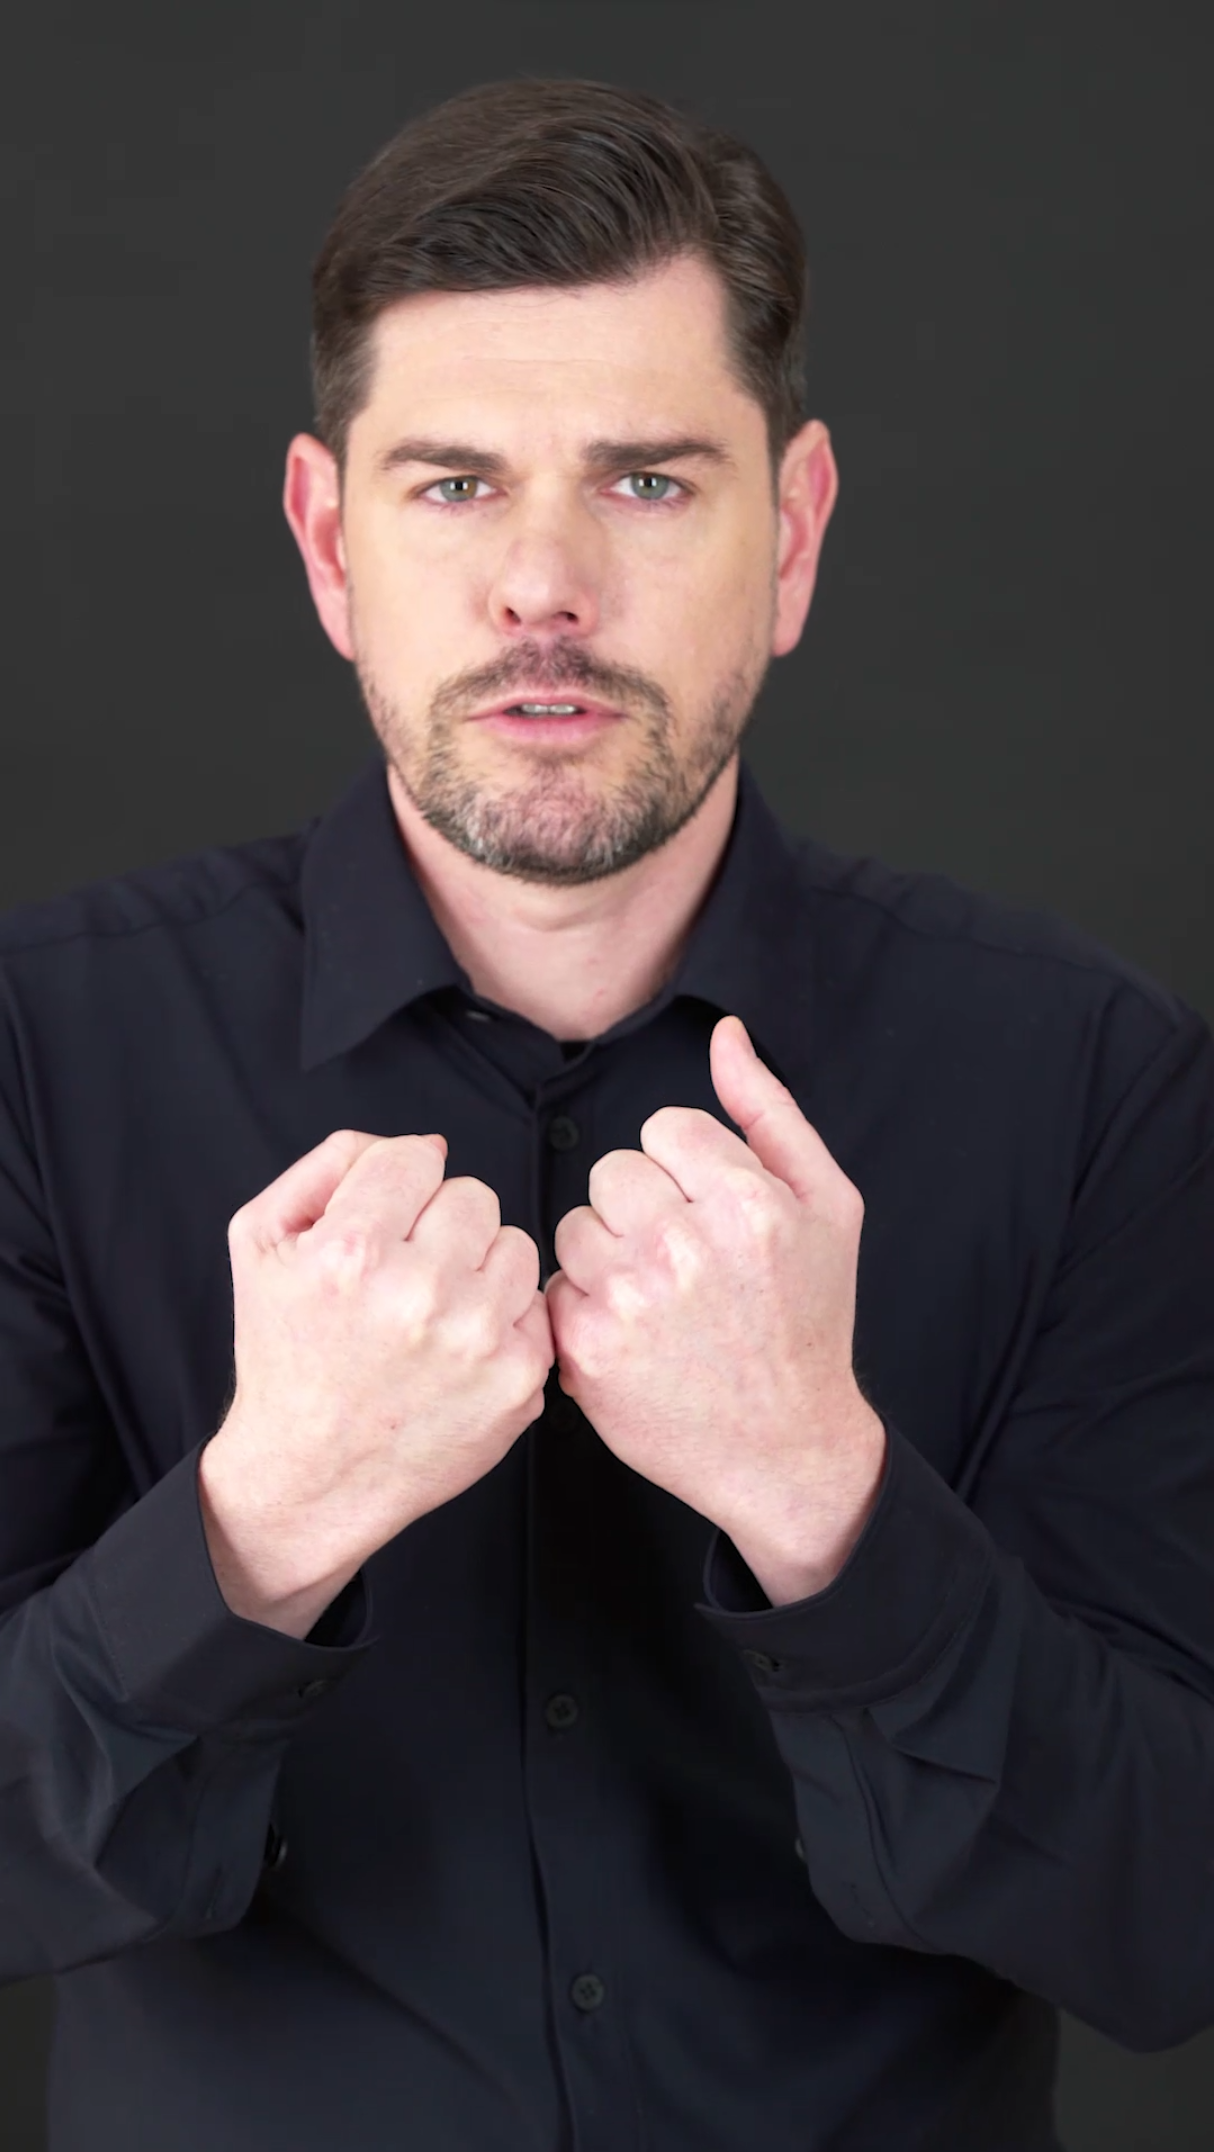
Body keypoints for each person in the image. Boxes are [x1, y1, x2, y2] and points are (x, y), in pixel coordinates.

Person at [1, 74, 1212, 2152]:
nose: (541, 586)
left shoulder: (1090, 1082)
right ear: (330, 542)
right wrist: (257, 1524)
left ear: (792, 535)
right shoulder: (39, 1053)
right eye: (454, 484)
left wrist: (825, 1497)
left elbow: (1170, 1920)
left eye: (647, 482)